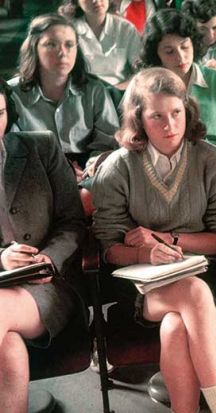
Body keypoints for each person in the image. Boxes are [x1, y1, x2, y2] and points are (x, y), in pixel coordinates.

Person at [92, 67, 216, 413]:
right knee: (192, 293)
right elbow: (110, 250)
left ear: (187, 111)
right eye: (156, 116)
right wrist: (144, 253)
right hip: (142, 288)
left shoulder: (214, 161)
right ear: (138, 119)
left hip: (205, 274)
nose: (170, 125)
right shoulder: (117, 167)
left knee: (176, 326)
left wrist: (165, 238)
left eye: (176, 112)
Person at [0, 78, 86, 412]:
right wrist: (2, 259)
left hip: (49, 283)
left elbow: (73, 221)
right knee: (8, 349)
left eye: (0, 113)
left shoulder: (41, 147)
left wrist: (48, 258)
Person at [8, 13, 119, 180]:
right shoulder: (11, 94)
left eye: (69, 45)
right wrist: (59, 171)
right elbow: (10, 149)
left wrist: (90, 169)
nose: (62, 53)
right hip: (34, 174)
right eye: (51, 44)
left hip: (88, 173)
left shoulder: (95, 90)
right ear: (34, 48)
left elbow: (109, 144)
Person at [140, 9, 216, 157]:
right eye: (169, 51)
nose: (181, 57)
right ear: (156, 54)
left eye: (185, 47)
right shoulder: (143, 85)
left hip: (211, 160)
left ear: (194, 44)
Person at [59, 0, 142, 89]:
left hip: (121, 92)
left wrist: (115, 90)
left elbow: (141, 72)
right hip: (83, 92)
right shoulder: (69, 31)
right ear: (76, 2)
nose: (95, 1)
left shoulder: (126, 28)